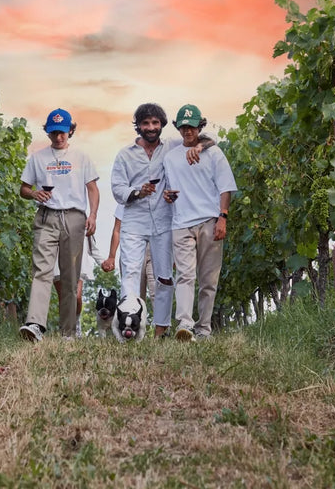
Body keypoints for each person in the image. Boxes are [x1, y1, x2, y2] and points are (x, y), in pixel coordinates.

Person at [110, 103, 208, 338]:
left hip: (164, 220)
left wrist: (201, 145)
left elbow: (208, 138)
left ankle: (160, 330)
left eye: (155, 123)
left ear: (163, 125)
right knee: (131, 272)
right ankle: (130, 328)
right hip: (134, 221)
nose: (151, 127)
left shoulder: (173, 146)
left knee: (164, 276)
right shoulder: (125, 155)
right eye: (145, 123)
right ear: (139, 126)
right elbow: (117, 189)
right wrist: (137, 192)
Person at [19, 108, 99, 342]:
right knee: (41, 270)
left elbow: (93, 189)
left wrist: (92, 215)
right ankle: (35, 324)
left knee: (70, 277)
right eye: (54, 133)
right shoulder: (37, 158)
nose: (59, 137)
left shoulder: (82, 158)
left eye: (63, 132)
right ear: (48, 132)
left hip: (74, 218)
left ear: (70, 131)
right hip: (47, 217)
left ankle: (68, 332)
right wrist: (34, 194)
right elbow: (23, 189)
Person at [163, 104, 237, 342]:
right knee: (185, 276)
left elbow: (226, 187)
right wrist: (167, 194)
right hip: (181, 223)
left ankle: (204, 329)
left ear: (199, 127)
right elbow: (169, 186)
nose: (187, 131)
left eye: (192, 126)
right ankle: (184, 324)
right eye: (183, 126)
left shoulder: (214, 153)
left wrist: (222, 218)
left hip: (209, 220)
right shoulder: (170, 157)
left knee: (208, 279)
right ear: (178, 127)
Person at [101, 203, 155, 302]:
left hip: (155, 249)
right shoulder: (127, 198)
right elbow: (117, 230)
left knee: (157, 292)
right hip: (132, 249)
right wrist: (111, 256)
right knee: (134, 295)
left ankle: (161, 318)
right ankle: (133, 316)